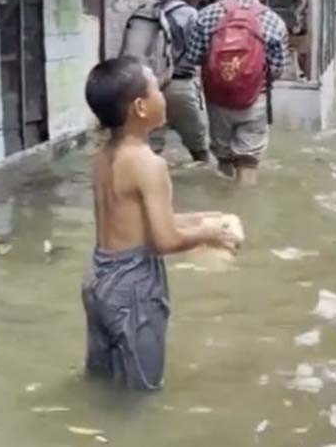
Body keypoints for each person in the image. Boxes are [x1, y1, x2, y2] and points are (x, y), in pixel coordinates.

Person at [81, 57, 241, 391]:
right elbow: (163, 241)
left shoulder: (102, 156)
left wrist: (200, 219)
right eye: (157, 87)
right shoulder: (149, 164)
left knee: (100, 381)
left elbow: (140, 224)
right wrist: (211, 233)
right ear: (141, 106)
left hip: (99, 280)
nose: (164, 94)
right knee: (141, 391)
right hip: (134, 287)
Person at [184, 0, 289, 187]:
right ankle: (246, 214)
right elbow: (277, 69)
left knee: (223, 158)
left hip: (217, 100)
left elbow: (192, 58)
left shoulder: (207, 14)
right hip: (254, 100)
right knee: (248, 160)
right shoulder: (274, 21)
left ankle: (223, 207)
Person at [149, 0, 212, 162]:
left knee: (151, 151)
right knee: (200, 152)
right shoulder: (190, 14)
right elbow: (200, 55)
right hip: (179, 86)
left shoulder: (151, 9)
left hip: (149, 87)